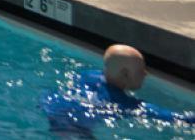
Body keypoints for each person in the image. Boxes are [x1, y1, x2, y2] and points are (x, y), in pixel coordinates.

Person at [40, 44, 195, 133]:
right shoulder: (123, 104)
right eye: (141, 70)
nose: (145, 74)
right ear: (125, 74)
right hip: (75, 128)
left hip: (51, 108)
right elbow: (178, 119)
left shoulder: (86, 75)